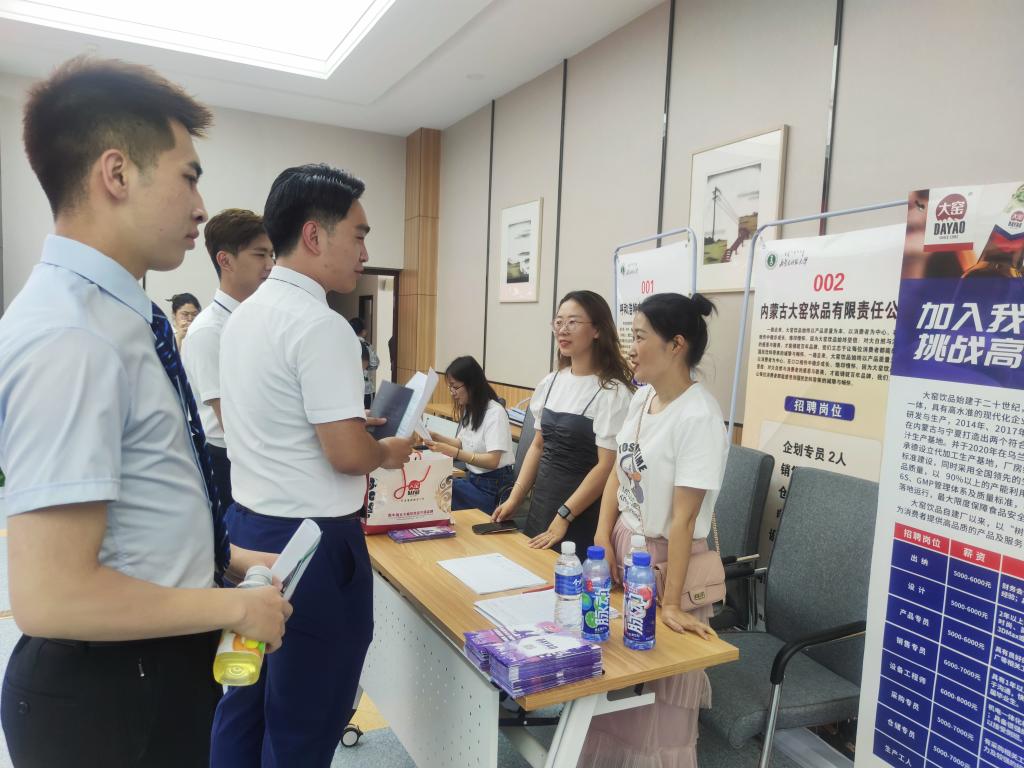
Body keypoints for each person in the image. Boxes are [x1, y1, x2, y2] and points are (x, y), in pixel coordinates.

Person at [0, 57, 291, 768]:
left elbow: (140, 499)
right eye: (188, 176)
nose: (201, 206)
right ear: (117, 173)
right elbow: (52, 597)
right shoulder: (72, 335)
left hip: (148, 667)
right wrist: (234, 607)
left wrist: (224, 562)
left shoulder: (120, 317)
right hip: (107, 693)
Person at [211, 163, 415, 768]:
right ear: (314, 235)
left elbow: (283, 421)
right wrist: (387, 452)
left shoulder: (243, 317)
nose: (365, 252)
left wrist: (349, 428)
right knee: (306, 715)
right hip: (312, 546)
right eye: (359, 235)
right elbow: (347, 456)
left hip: (249, 531)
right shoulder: (321, 325)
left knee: (245, 698)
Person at [580, 292, 728, 768]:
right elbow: (620, 472)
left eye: (640, 337)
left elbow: (683, 520)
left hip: (667, 565)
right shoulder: (643, 397)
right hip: (624, 547)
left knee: (658, 709)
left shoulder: (700, 417)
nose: (632, 348)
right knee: (614, 682)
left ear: (676, 345)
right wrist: (602, 536)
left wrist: (672, 603)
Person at [493, 290, 633, 552]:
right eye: (558, 322)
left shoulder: (613, 393)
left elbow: (607, 466)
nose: (563, 330)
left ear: (597, 330)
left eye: (573, 322)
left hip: (582, 511)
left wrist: (565, 515)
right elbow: (538, 446)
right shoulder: (551, 382)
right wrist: (515, 497)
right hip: (542, 505)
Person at [181, 208, 274, 513]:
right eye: (259, 255)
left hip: (261, 456)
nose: (270, 265)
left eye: (271, 254)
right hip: (229, 462)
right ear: (225, 260)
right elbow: (232, 423)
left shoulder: (261, 320)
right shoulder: (209, 330)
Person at [427, 356, 514, 515]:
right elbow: (462, 442)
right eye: (450, 387)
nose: (452, 393)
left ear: (471, 384)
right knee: (436, 484)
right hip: (474, 480)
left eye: (455, 387)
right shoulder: (472, 408)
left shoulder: (495, 413)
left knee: (439, 490)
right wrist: (436, 437)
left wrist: (455, 453)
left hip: (492, 488)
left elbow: (493, 461)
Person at [349, 317, 379, 409]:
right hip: (366, 389)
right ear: (364, 332)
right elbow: (374, 364)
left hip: (349, 389)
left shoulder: (344, 344)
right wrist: (366, 367)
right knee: (367, 413)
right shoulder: (367, 345)